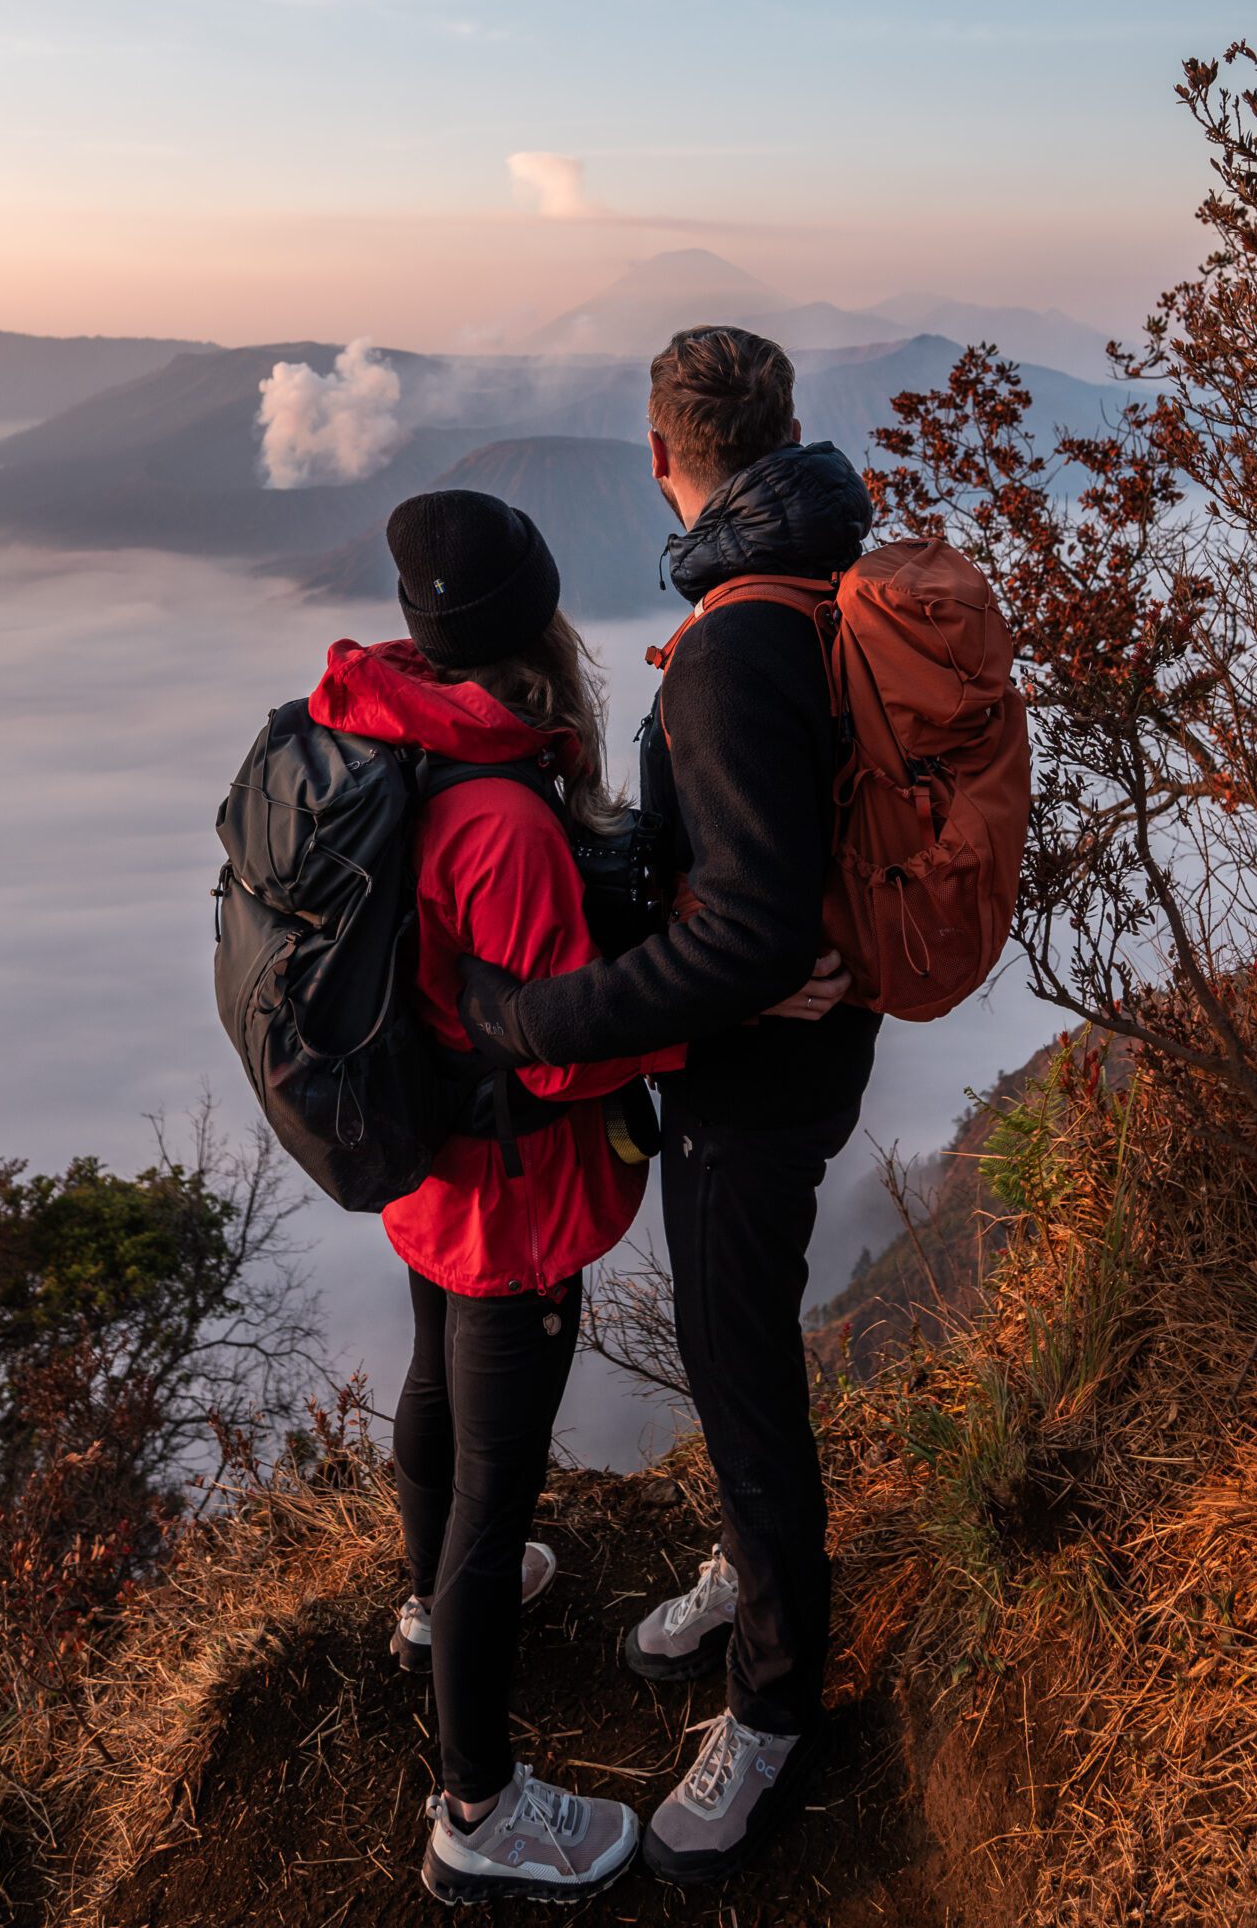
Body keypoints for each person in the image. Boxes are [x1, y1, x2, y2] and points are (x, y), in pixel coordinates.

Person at [458, 325, 878, 1889]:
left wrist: (537, 1017)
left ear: (658, 454)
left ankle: (773, 1702)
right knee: (736, 1346)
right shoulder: (822, 575)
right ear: (781, 434)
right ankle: (753, 1567)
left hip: (752, 1090)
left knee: (738, 1359)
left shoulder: (729, 638)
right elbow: (770, 881)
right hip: (802, 1057)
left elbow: (757, 928)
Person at [308, 488, 676, 1906]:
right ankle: (478, 1809)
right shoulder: (502, 820)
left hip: (421, 1168)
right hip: (506, 1195)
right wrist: (685, 1024)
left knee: (436, 1401)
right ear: (541, 626)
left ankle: (427, 1608)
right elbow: (559, 1047)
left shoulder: (380, 735)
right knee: (492, 1496)